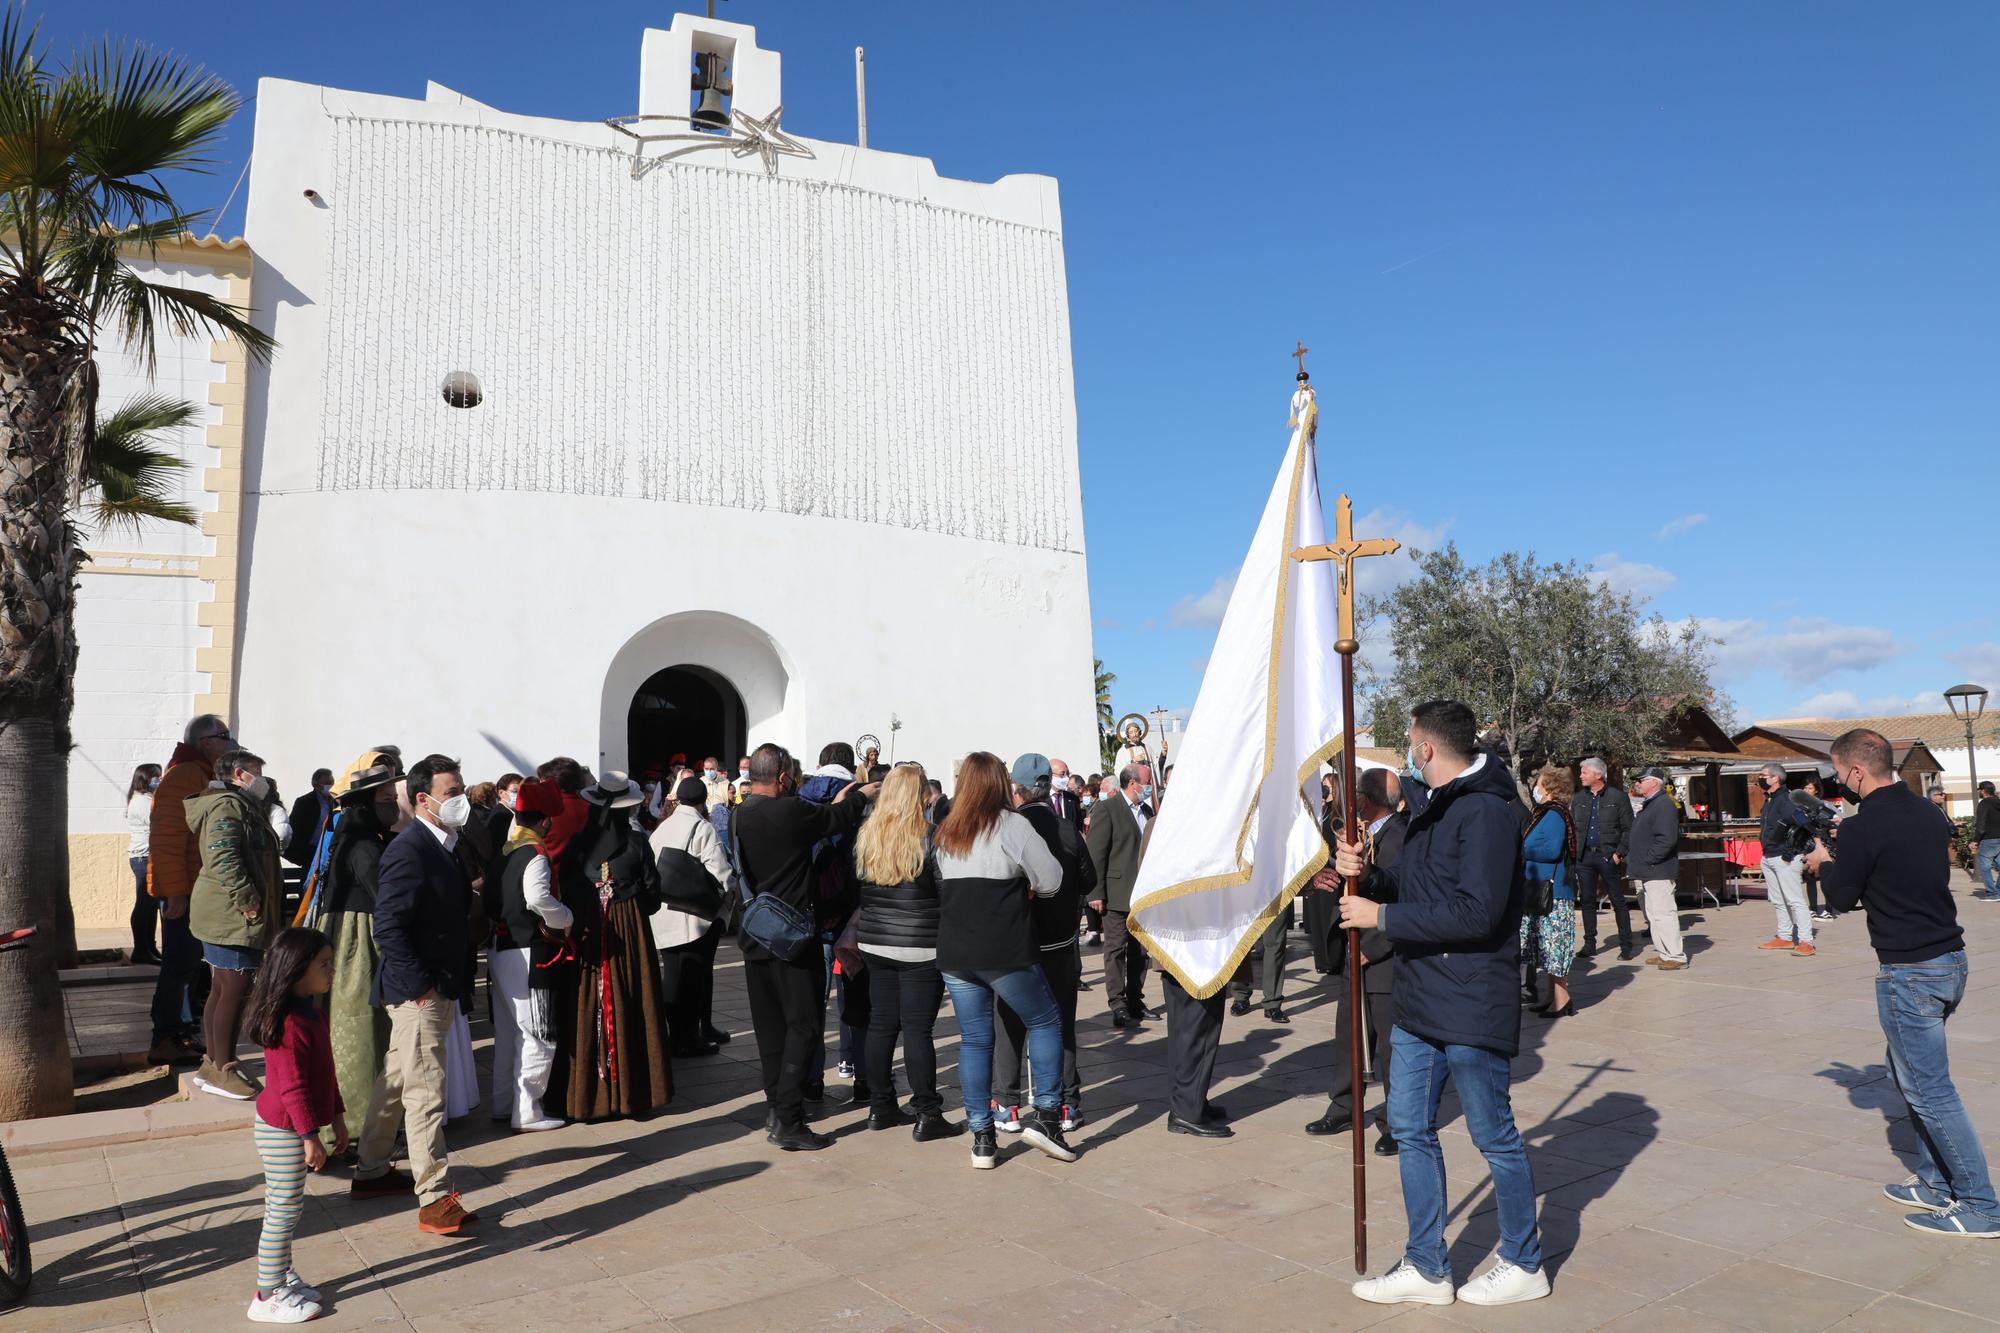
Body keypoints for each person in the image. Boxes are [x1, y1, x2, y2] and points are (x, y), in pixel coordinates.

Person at [1332, 699, 1548, 1308]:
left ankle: (1524, 1259)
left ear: (1425, 748)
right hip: (1420, 998)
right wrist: (1369, 875)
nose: (1407, 751)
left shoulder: (1484, 812)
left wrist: (1382, 916)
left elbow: (1476, 913)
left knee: (1492, 1136)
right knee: (1409, 1128)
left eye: (1409, 741)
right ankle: (1427, 1266)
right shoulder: (1432, 809)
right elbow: (1415, 884)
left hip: (1471, 997)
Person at [1803, 728, 1998, 1237]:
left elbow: (1842, 898)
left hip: (1911, 970)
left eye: (1837, 770)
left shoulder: (1866, 825)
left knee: (1931, 1090)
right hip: (1949, 960)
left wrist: (1825, 864)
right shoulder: (1927, 813)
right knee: (1904, 1072)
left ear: (1855, 771)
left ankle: (1981, 1204)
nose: (1837, 781)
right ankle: (1934, 1183)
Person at [351, 754, 478, 1236]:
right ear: (423, 799)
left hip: (431, 982)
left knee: (398, 1077)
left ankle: (371, 1169)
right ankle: (435, 1197)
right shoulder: (409, 849)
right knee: (425, 1090)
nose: (460, 799)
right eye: (452, 792)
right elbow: (389, 924)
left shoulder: (444, 843)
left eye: (462, 789)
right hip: (417, 990)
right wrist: (420, 985)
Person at [932, 752, 1077, 1170]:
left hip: (956, 949)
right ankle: (1048, 1115)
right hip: (1002, 946)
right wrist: (1029, 886)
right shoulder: (1011, 824)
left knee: (976, 1040)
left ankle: (982, 1136)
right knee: (1046, 1020)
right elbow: (1051, 880)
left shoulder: (948, 829)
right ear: (1000, 783)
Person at [731, 743, 872, 1151]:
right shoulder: (789, 810)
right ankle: (789, 1119)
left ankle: (777, 1106)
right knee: (804, 1025)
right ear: (781, 777)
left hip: (757, 933)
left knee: (770, 1029)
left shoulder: (740, 814)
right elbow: (836, 818)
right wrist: (862, 793)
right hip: (792, 936)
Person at [548, 773, 670, 1121]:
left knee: (589, 1002)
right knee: (631, 998)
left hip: (588, 931)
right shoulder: (636, 842)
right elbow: (651, 895)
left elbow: (567, 888)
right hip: (627, 932)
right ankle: (633, 1092)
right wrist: (625, 904)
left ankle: (591, 1095)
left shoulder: (578, 843)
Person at [850, 763, 958, 1140]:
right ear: (918, 795)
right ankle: (927, 1112)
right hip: (919, 945)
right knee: (917, 1029)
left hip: (875, 941)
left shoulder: (868, 835)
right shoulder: (930, 836)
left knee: (881, 1025)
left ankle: (881, 1107)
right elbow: (946, 893)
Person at [241, 927, 341, 1324]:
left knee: (288, 1208)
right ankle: (267, 1294)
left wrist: (337, 1116)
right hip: (282, 1129)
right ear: (296, 970)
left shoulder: (312, 1011)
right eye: (323, 964)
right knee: (281, 1212)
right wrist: (309, 1136)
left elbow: (326, 1072)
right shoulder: (286, 1024)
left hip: (293, 1127)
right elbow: (293, 1089)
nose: (331, 970)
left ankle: (281, 1277)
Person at [991, 753, 1093, 1134]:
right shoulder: (1067, 829)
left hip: (1018, 946)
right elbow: (1087, 880)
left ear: (1016, 791)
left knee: (1010, 1023)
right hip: (1061, 946)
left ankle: (1007, 1104)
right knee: (1061, 1023)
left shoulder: (1008, 829)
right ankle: (1067, 1105)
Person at [1307, 765, 1401, 1155]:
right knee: (1349, 1034)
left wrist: (1372, 947)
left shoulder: (1402, 835)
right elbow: (1346, 881)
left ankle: (1397, 1121)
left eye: (1358, 794)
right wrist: (1326, 876)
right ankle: (1345, 1105)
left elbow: (1401, 893)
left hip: (1385, 955)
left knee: (1391, 1046)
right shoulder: (1353, 836)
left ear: (1366, 799)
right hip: (1353, 949)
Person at [187, 748, 285, 1101]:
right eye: (257, 772)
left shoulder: (237, 804)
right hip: (232, 915)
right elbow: (223, 856)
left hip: (226, 913)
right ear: (240, 774)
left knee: (222, 989)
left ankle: (214, 1063)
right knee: (234, 990)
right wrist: (249, 903)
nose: (263, 779)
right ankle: (224, 1069)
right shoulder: (227, 805)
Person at [316, 761, 401, 1153]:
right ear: (366, 804)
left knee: (358, 1030)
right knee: (361, 1031)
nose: (393, 805)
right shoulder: (365, 845)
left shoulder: (354, 837)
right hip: (357, 945)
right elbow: (386, 896)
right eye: (386, 799)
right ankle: (356, 1127)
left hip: (348, 938)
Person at [485, 778, 571, 1132]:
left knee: (508, 1033)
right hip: (526, 952)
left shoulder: (503, 853)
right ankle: (528, 1109)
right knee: (537, 1032)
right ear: (546, 821)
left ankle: (505, 1103)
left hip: (500, 948)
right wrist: (565, 917)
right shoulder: (534, 855)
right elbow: (536, 898)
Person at [148, 713, 234, 1065]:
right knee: (179, 965)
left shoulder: (200, 772)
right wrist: (176, 892)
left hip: (197, 888)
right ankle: (167, 1036)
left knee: (189, 966)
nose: (230, 741)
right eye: (225, 735)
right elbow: (167, 840)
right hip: (184, 889)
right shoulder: (184, 774)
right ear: (207, 742)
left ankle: (181, 1032)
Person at [650, 776, 734, 1058]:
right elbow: (720, 872)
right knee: (693, 978)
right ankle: (688, 1038)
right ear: (702, 801)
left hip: (662, 912)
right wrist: (730, 893)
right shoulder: (702, 827)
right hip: (694, 916)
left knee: (672, 974)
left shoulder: (662, 828)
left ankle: (671, 1036)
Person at [799, 745, 865, 1095]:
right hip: (852, 915)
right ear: (852, 766)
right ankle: (864, 1077)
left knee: (813, 1006)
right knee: (858, 1004)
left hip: (811, 915)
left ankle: (811, 1079)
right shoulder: (862, 799)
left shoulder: (799, 798)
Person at [1087, 762, 1154, 1029]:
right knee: (1116, 950)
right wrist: (1095, 893)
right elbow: (1096, 853)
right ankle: (1117, 1003)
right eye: (1146, 782)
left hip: (1142, 895)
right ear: (1132, 783)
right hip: (1115, 894)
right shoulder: (1108, 809)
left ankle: (1136, 999)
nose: (1149, 787)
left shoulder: (1147, 810)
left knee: (1140, 952)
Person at [1520, 766, 1578, 1015]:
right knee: (1547, 949)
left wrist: (1521, 850)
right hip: (1543, 889)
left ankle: (1562, 1000)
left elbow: (1553, 850)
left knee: (1554, 949)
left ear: (1551, 788)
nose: (1536, 788)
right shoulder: (1547, 813)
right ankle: (1550, 996)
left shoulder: (1554, 815)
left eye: (1540, 783)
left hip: (1553, 893)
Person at [1572, 758, 1636, 959]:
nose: (1580, 775)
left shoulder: (1618, 797)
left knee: (1618, 901)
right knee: (1587, 901)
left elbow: (1629, 828)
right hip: (1584, 857)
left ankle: (1626, 946)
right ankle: (1589, 944)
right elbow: (1573, 827)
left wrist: (1619, 853)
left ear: (1598, 775)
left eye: (1584, 772)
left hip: (1608, 856)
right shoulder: (1579, 798)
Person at [1755, 763, 1816, 954]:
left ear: (1775, 778)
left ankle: (1807, 941)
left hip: (1784, 857)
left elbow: (1800, 826)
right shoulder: (1770, 800)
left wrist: (1788, 854)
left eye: (1763, 775)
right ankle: (1785, 936)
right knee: (1778, 899)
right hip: (1769, 855)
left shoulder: (1786, 799)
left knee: (1794, 899)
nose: (1760, 778)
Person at [1629, 768, 1686, 970]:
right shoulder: (1652, 804)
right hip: (1649, 869)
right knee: (1654, 915)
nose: (1637, 783)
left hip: (1658, 869)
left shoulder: (1663, 805)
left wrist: (1650, 859)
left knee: (1664, 913)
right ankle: (1665, 953)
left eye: (1641, 780)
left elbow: (1667, 839)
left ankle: (1675, 956)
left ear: (1654, 782)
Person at [1229, 902, 1291, 1025]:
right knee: (1240, 940)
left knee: (1276, 942)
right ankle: (1240, 995)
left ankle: (1272, 1003)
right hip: (1243, 889)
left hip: (1276, 887)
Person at [126, 764, 163, 966]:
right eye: (155, 777)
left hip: (148, 855)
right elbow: (159, 822)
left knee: (151, 906)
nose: (159, 780)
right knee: (144, 904)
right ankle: (141, 949)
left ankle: (149, 947)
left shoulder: (147, 799)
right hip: (144, 856)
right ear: (144, 779)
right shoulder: (142, 801)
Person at [283, 770, 335, 872]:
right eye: (327, 783)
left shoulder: (337, 801)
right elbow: (295, 828)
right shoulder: (304, 802)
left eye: (332, 782)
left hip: (332, 849)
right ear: (316, 785)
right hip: (312, 852)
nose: (330, 786)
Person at [1973, 781, 2000, 900]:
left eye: (1979, 790)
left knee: (1985, 868)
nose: (1979, 792)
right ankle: (1998, 891)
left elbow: (1981, 824)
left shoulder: (1983, 804)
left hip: (1988, 840)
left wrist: (1975, 840)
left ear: (1983, 791)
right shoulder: (1998, 802)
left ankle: (1992, 894)